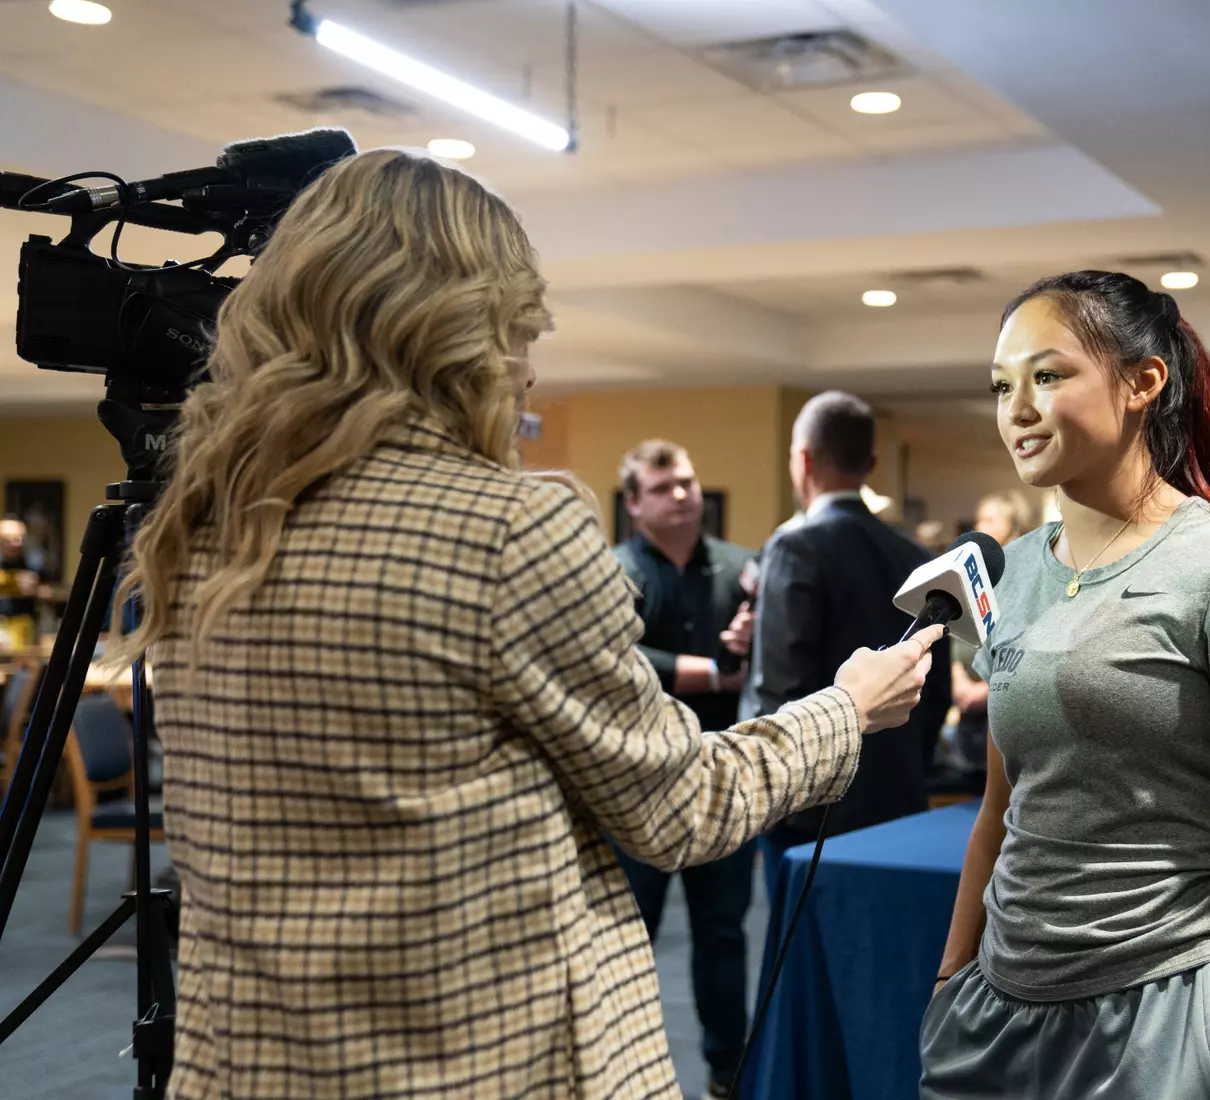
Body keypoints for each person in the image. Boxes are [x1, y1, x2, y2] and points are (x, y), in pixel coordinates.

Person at [113, 149, 943, 1100]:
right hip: (484, 1062)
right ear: (456, 336)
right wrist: (846, 708)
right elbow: (681, 807)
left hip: (256, 1067)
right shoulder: (509, 527)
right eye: (515, 333)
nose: (529, 370)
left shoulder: (194, 525)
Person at [921, 271, 1210, 1099]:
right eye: (1001, 387)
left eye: (1049, 375)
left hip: (1161, 1013)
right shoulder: (1015, 570)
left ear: (1143, 383)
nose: (1017, 409)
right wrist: (951, 975)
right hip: (1001, 1006)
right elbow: (1003, 806)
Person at [741, 391, 953, 901]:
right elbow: (937, 688)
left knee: (805, 968)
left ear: (803, 460)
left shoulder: (795, 547)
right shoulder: (917, 555)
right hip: (898, 802)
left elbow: (779, 689)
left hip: (812, 814)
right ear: (872, 464)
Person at [610, 439, 759, 1100]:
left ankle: (728, 1077)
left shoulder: (742, 567)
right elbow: (608, 661)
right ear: (635, 503)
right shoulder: (612, 572)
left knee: (723, 937)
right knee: (627, 939)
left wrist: (750, 640)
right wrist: (704, 670)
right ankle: (617, 1072)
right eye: (665, 486)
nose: (682, 494)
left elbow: (773, 650)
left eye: (689, 482)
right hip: (634, 787)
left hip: (719, 778)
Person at [950, 492, 1036, 780]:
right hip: (968, 718)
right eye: (978, 519)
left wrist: (985, 692)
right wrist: (958, 680)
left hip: (1004, 712)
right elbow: (955, 635)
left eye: (990, 518)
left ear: (1013, 524)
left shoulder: (1026, 577)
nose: (979, 525)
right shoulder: (971, 576)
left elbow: (1028, 649)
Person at [0, 515, 40, 653]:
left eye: (19, 539)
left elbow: (43, 589)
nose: (16, 544)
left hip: (23, 626)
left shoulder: (32, 562)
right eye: (10, 540)